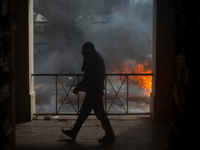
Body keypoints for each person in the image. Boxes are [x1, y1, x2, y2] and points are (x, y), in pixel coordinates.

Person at [61, 42, 115, 143]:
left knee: (95, 114)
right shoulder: (94, 59)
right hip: (94, 91)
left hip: (94, 91)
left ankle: (110, 134)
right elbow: (90, 77)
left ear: (88, 50)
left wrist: (79, 87)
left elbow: (91, 78)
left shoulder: (95, 60)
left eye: (84, 50)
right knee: (88, 113)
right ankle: (75, 132)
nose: (82, 53)